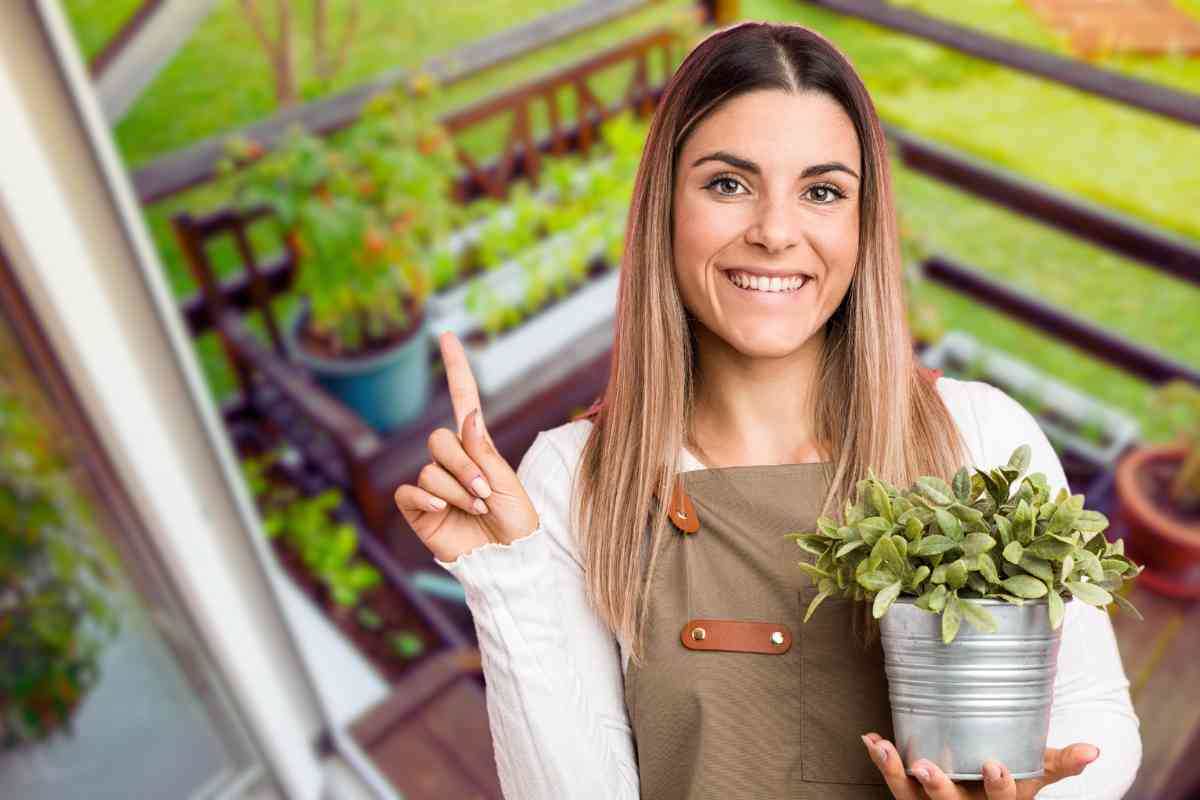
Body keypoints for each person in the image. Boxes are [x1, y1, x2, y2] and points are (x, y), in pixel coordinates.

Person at [393, 20, 1141, 800]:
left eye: (821, 192)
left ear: (862, 222)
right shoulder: (573, 479)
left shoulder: (981, 436)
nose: (776, 232)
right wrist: (505, 575)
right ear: (666, 208)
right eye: (728, 184)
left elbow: (1095, 717)